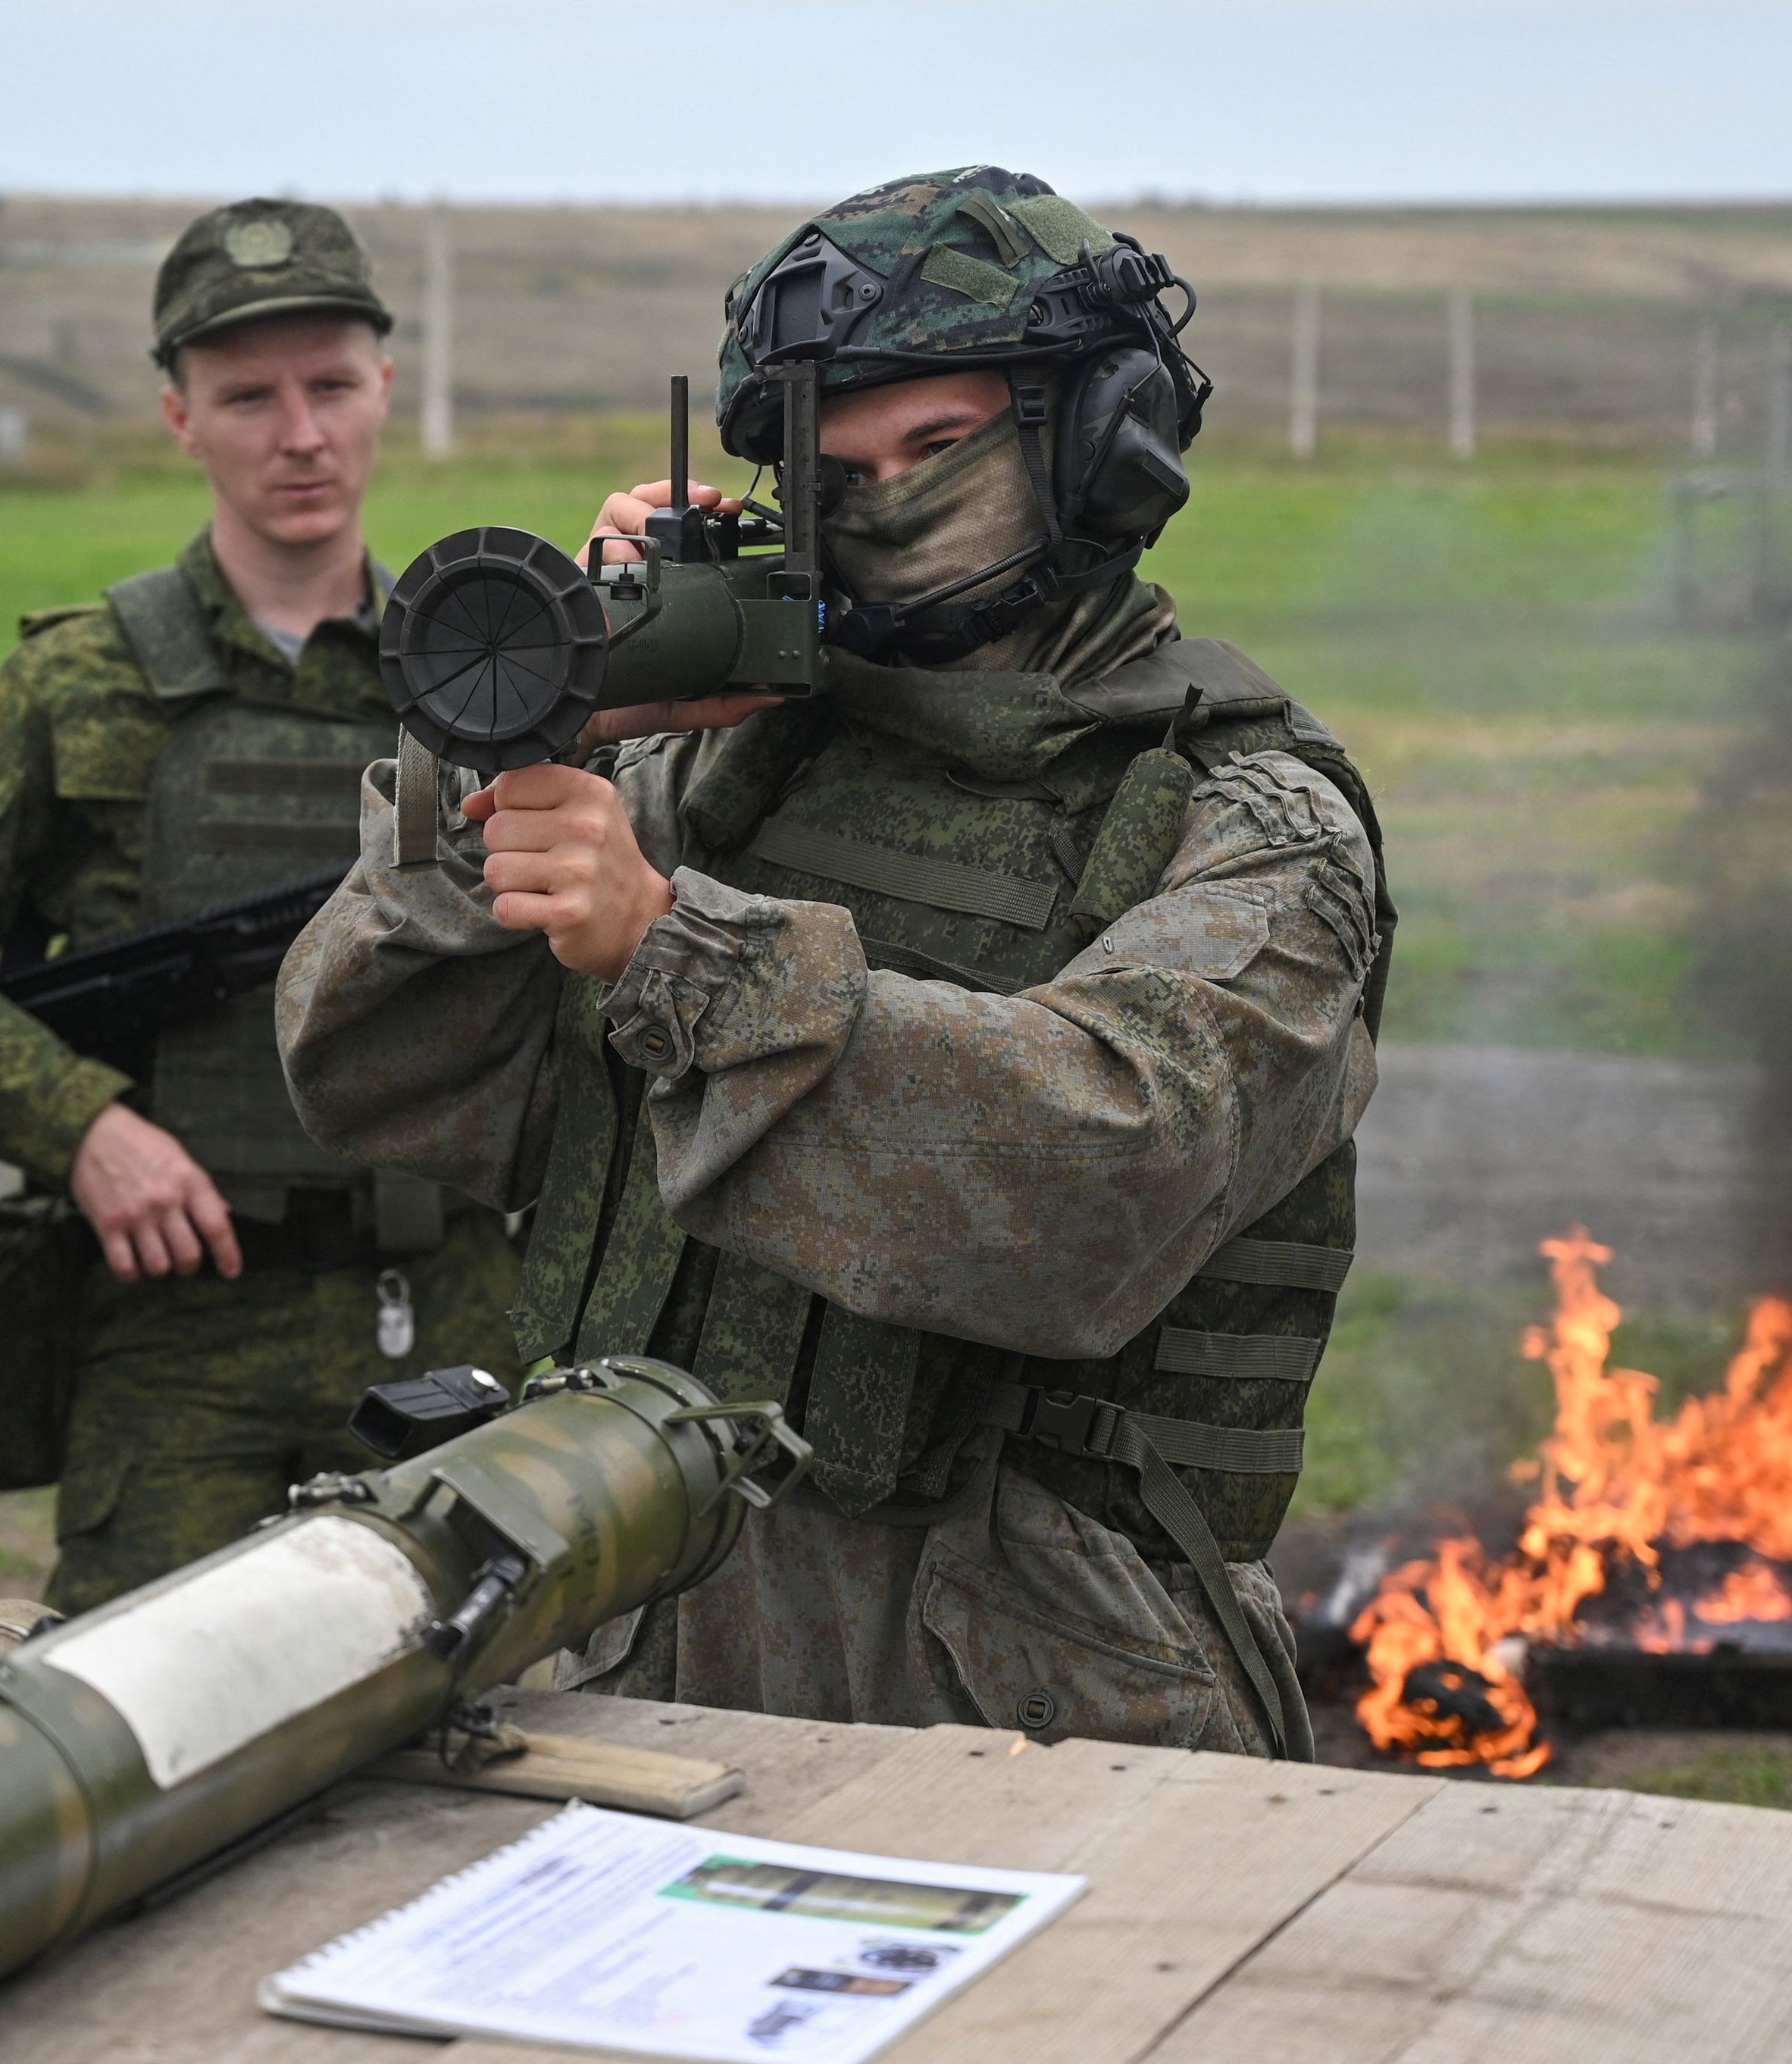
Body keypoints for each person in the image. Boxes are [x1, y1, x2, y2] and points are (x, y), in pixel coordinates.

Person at [278, 167, 1393, 1759]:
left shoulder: (1249, 822)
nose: (889, 499)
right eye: (840, 465)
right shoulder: (715, 769)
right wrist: (523, 753)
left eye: (939, 448)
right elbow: (376, 1082)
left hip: (1030, 1688)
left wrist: (677, 950)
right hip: (634, 1627)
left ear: (1102, 437)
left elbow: (1096, 1180)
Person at [0, 199, 519, 1613]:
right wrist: (76, 1128)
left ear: (382, 388)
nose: (300, 434)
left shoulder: (476, 678)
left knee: (475, 1734)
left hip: (438, 1313)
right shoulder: (73, 686)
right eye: (249, 397)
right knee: (153, 1750)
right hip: (171, 1342)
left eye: (331, 386)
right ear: (178, 414)